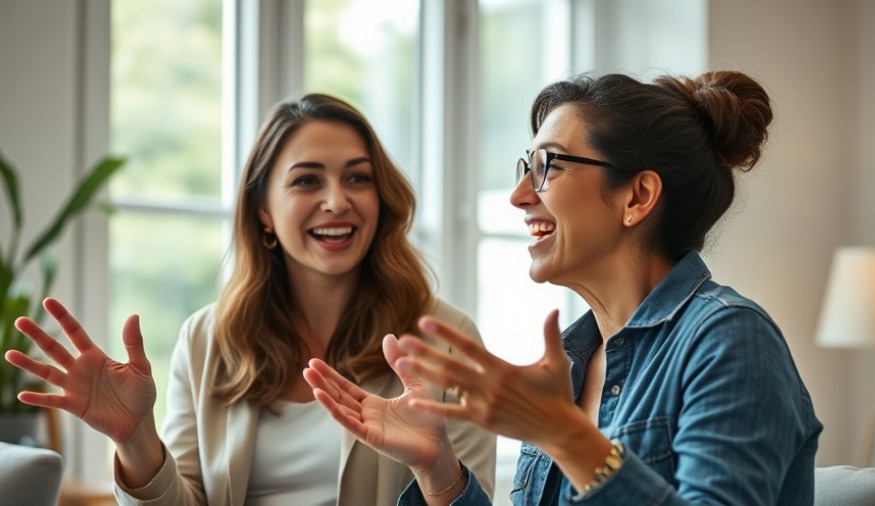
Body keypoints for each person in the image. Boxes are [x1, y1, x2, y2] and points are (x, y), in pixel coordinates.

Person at [303, 71, 823, 505]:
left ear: (637, 196)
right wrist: (439, 469)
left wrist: (564, 435)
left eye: (547, 165)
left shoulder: (729, 339)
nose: (518, 195)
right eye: (524, 168)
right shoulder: (571, 364)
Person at [5, 93, 496, 505]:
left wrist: (437, 468)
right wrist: (135, 440)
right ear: (262, 209)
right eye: (307, 180)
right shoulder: (206, 339)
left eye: (358, 178)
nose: (336, 200)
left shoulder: (449, 341)